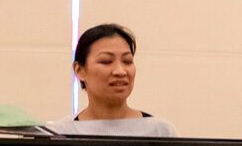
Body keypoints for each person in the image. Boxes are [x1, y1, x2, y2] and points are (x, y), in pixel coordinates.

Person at [48, 23, 177, 137]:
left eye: (127, 61)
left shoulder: (160, 131)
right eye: (106, 61)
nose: (120, 71)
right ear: (79, 70)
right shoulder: (60, 133)